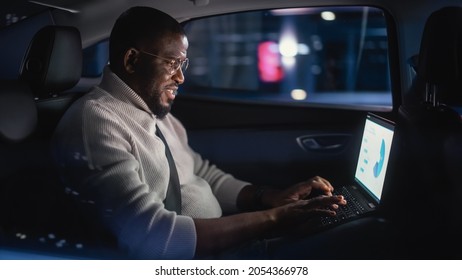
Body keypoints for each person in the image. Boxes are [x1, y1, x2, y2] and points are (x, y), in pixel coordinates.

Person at [52, 6, 349, 260]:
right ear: (131, 60)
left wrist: (269, 198)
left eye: (183, 64)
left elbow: (202, 172)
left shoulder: (154, 114)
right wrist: (275, 219)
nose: (181, 76)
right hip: (191, 260)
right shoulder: (95, 122)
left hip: (222, 245)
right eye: (171, 63)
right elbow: (152, 237)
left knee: (342, 231)